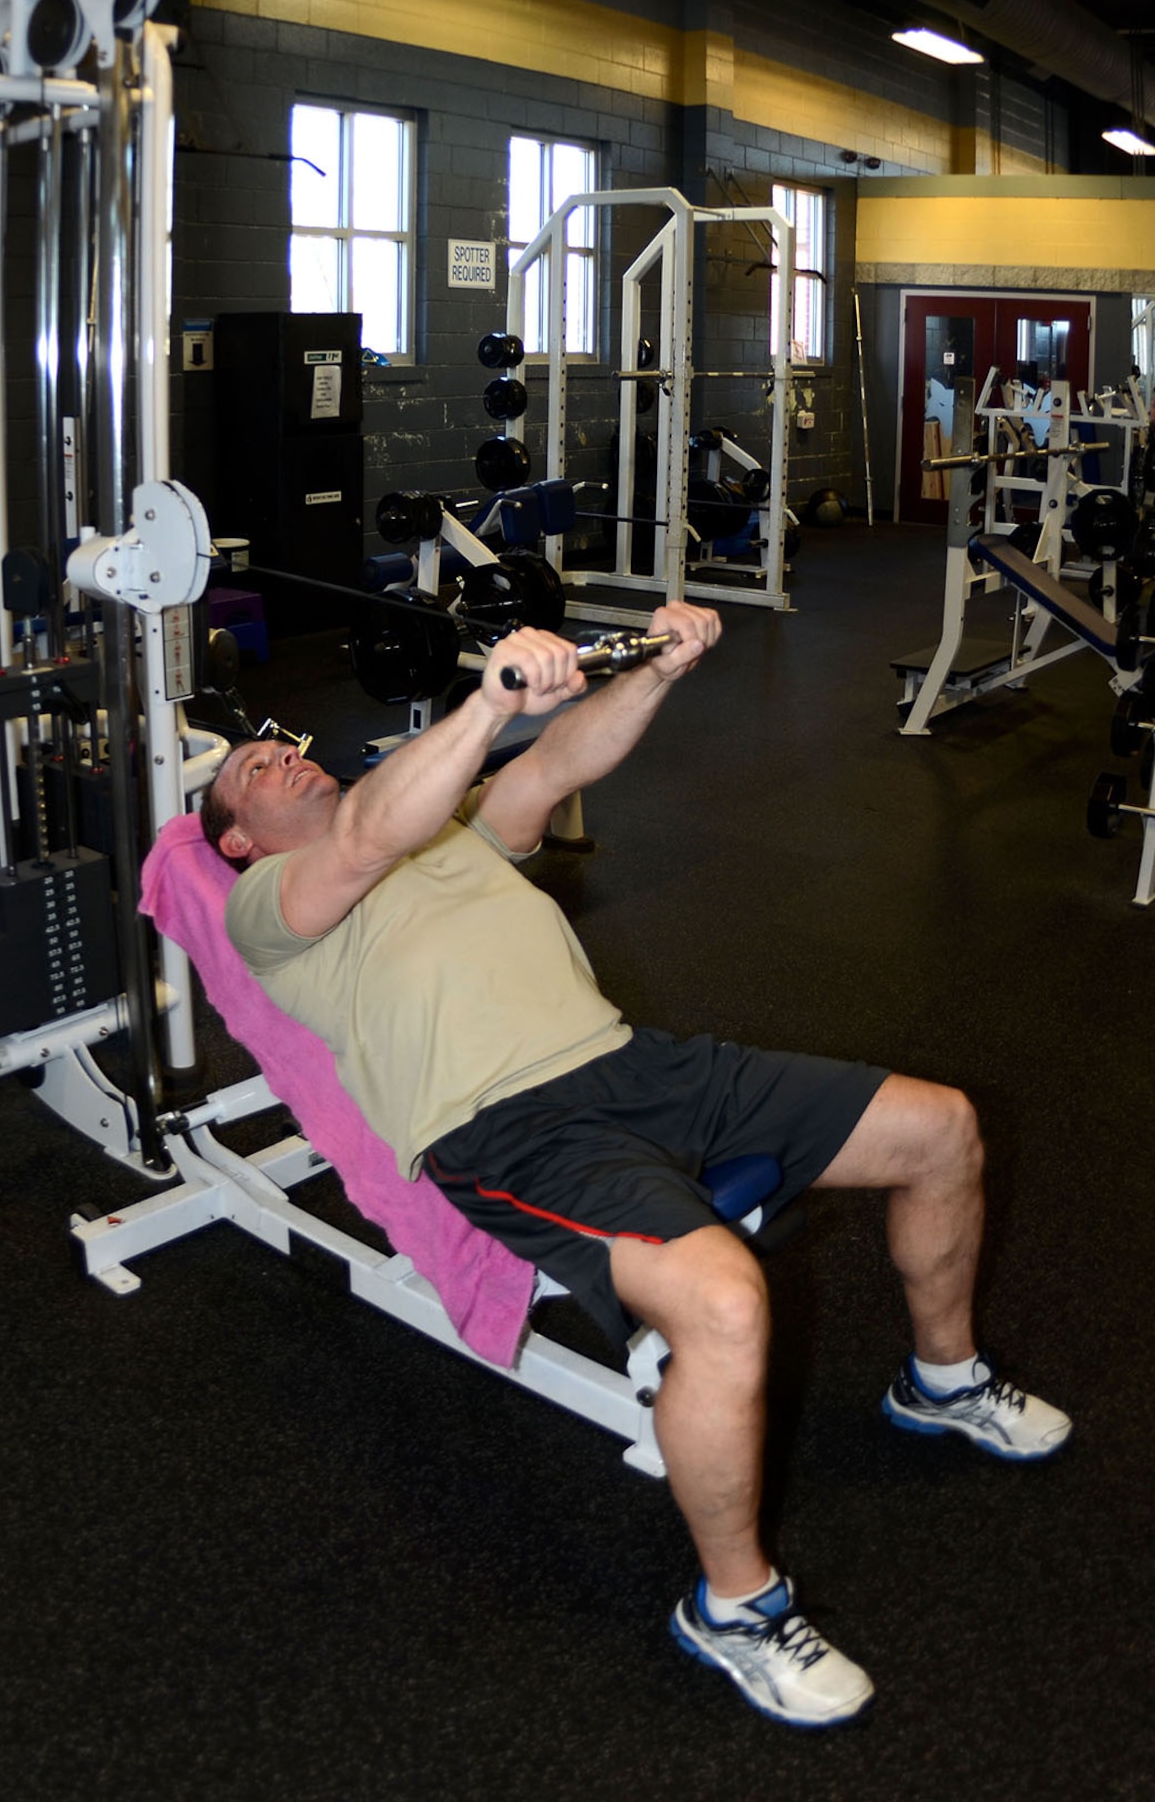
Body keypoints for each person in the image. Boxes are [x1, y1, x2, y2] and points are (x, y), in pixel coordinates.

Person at [203, 602, 1070, 1731]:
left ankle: (942, 1381)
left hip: (636, 1064)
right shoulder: (269, 906)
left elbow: (559, 758)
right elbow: (364, 831)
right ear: (233, 839)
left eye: (285, 744)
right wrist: (486, 700)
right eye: (254, 772)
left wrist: (662, 666)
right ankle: (737, 1608)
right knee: (722, 1302)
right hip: (510, 1130)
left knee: (941, 1126)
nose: (283, 758)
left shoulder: (444, 831)